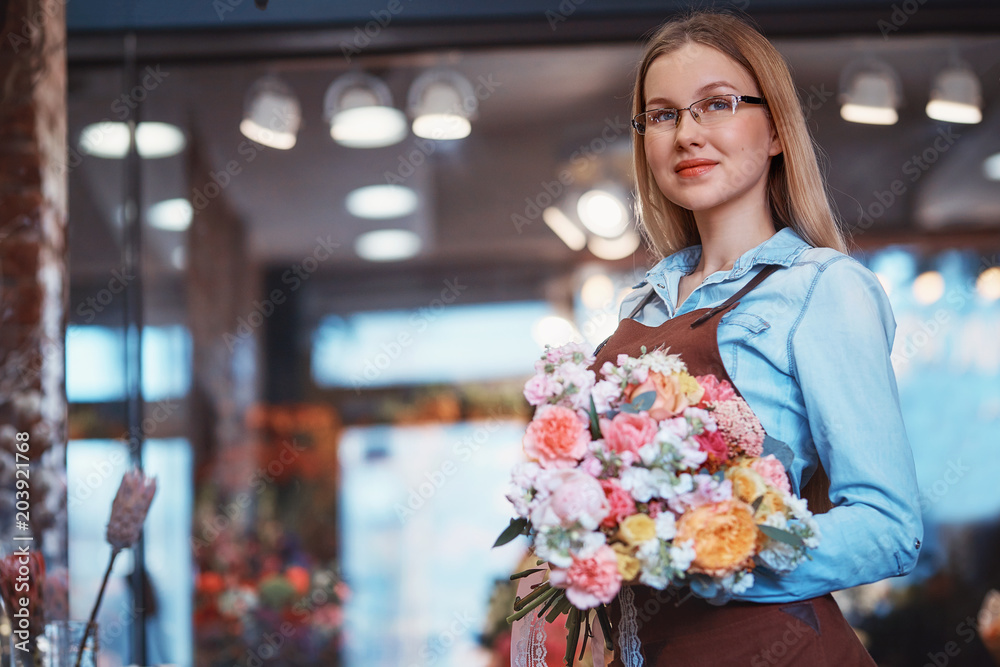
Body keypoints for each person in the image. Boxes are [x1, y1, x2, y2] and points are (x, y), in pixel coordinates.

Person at [513, 9, 922, 667]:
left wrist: (703, 552)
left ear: (778, 130)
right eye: (664, 115)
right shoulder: (642, 302)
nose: (687, 134)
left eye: (718, 105)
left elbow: (888, 528)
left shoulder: (822, 288)